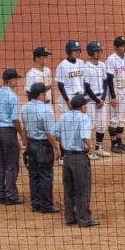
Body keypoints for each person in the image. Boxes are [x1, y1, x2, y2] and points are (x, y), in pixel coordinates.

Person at [48, 93, 99, 228]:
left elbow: (52, 135)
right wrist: (91, 146)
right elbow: (84, 136)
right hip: (79, 158)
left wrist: (58, 148)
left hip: (67, 159)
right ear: (83, 107)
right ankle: (84, 219)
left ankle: (70, 218)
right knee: (82, 189)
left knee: (69, 188)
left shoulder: (64, 116)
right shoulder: (84, 118)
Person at [0, 68, 27, 205]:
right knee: (11, 166)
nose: (16, 81)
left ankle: (1, 194)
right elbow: (15, 120)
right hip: (8, 133)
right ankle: (11, 195)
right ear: (11, 80)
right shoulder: (13, 97)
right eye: (15, 79)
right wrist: (22, 136)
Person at [21, 82, 58, 213]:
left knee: (34, 175)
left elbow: (24, 129)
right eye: (45, 92)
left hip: (31, 144)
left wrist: (26, 145)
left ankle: (35, 203)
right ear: (41, 95)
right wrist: (57, 149)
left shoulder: (25, 107)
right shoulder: (47, 109)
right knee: (46, 175)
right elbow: (50, 134)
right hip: (43, 146)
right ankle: (46, 206)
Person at [104, 37, 125, 153]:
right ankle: (113, 144)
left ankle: (120, 143)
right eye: (122, 46)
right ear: (116, 47)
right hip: (114, 91)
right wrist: (113, 96)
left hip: (124, 90)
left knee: (122, 119)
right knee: (114, 119)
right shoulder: (111, 59)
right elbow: (109, 80)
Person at [82, 41, 110, 157]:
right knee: (90, 125)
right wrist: (97, 100)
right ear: (91, 52)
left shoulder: (102, 65)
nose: (99, 53)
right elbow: (86, 87)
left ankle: (98, 147)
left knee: (102, 124)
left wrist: (102, 99)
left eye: (100, 51)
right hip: (90, 100)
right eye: (96, 51)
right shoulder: (86, 67)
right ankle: (87, 150)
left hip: (101, 100)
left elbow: (105, 82)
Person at [55, 40, 85, 115]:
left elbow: (83, 81)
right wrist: (67, 101)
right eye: (75, 50)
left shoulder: (81, 63)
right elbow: (60, 86)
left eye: (79, 50)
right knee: (68, 123)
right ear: (69, 51)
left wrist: (83, 99)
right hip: (68, 98)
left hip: (79, 97)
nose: (78, 52)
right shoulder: (62, 65)